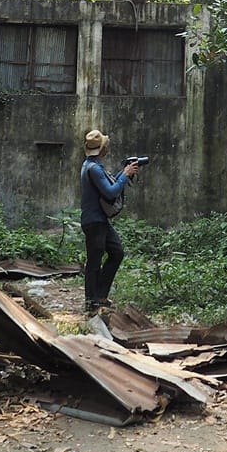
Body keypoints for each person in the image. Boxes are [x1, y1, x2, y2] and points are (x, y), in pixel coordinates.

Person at [80, 129, 142, 314]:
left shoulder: (91, 166)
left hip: (99, 221)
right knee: (94, 261)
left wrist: (124, 173)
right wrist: (124, 175)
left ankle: (99, 295)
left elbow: (109, 184)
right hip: (95, 221)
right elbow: (111, 192)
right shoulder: (94, 169)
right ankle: (91, 302)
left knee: (117, 252)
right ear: (102, 149)